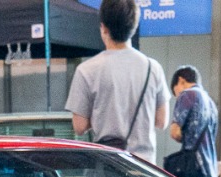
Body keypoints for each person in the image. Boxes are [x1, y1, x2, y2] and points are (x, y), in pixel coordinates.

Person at [67, 0, 167, 161]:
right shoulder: (153, 68)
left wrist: (103, 115)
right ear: (134, 26)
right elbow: (162, 121)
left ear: (103, 27)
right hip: (145, 171)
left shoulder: (86, 70)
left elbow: (79, 127)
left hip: (108, 168)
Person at [166, 66, 218, 177]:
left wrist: (184, 136)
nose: (177, 96)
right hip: (209, 169)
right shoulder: (211, 103)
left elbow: (175, 132)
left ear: (181, 80)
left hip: (192, 168)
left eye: (175, 91)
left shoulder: (188, 94)